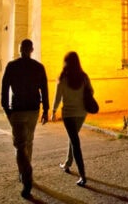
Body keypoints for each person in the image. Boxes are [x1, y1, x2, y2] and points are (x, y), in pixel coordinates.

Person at [1, 39, 49, 199]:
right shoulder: (38, 67)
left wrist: (7, 109)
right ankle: (25, 170)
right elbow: (44, 88)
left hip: (19, 109)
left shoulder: (12, 66)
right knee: (28, 141)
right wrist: (46, 109)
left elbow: (4, 89)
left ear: (20, 49)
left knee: (20, 145)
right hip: (34, 108)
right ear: (32, 49)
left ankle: (25, 173)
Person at [51, 51, 92, 187]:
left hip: (68, 114)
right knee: (73, 137)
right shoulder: (84, 77)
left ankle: (82, 176)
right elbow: (91, 91)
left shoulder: (62, 78)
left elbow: (57, 98)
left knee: (75, 141)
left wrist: (53, 111)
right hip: (82, 113)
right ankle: (67, 164)